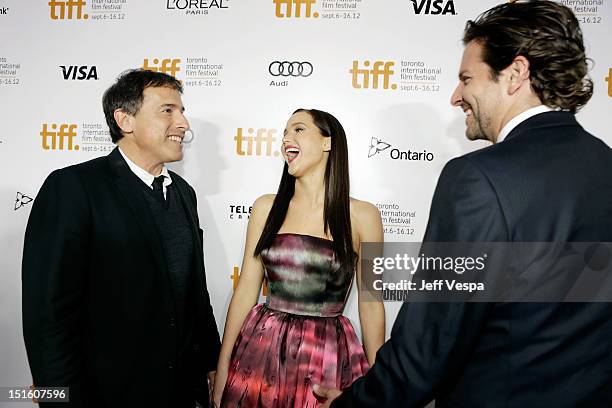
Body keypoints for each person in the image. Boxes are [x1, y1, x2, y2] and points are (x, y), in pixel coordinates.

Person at [316, 1, 612, 406]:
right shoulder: (605, 166)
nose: (457, 96)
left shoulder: (477, 178)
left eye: (467, 78)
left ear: (516, 74)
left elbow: (428, 345)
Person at [22, 69, 221, 407]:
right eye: (168, 110)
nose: (184, 124)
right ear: (125, 120)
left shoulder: (184, 193)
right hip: (104, 394)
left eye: (182, 111)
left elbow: (193, 294)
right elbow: (48, 314)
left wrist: (212, 363)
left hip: (180, 393)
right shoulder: (74, 188)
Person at [212, 109, 385, 407]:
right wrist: (224, 364)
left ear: (327, 143)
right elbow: (246, 291)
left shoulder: (364, 215)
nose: (286, 139)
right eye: (285, 132)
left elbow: (371, 302)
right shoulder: (266, 208)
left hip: (324, 355)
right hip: (262, 350)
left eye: (298, 129)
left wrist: (382, 382)